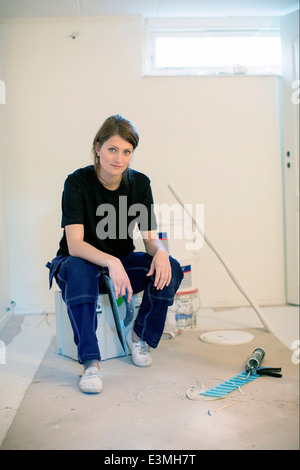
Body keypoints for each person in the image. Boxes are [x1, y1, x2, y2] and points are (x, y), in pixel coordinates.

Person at [47, 114, 183, 394]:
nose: (118, 158)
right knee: (79, 269)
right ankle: (91, 363)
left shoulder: (140, 184)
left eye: (126, 151)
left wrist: (159, 252)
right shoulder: (77, 182)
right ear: (98, 148)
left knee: (172, 267)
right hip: (80, 264)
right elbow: (75, 244)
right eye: (112, 149)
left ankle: (138, 336)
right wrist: (111, 262)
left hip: (119, 267)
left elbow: (150, 240)